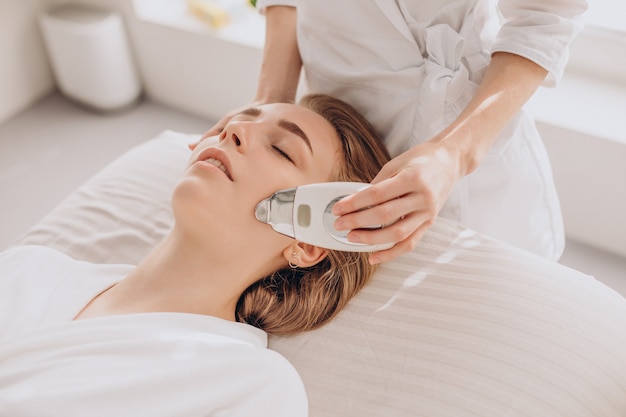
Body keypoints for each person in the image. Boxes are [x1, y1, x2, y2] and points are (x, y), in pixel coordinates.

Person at [0, 94, 391, 416]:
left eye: (281, 149)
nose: (234, 131)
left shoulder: (253, 385)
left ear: (306, 244)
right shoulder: (30, 268)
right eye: (232, 123)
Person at [198, 0, 588, 264]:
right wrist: (271, 100)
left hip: (466, 141)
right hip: (334, 120)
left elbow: (546, 15)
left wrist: (454, 154)